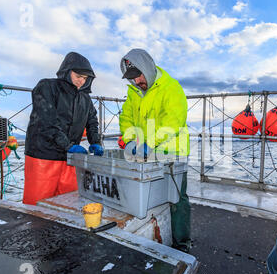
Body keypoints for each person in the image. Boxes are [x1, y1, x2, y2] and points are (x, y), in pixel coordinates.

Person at [117, 48, 191, 252]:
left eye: (138, 75)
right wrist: (130, 139)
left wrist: (149, 142)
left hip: (172, 153)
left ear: (148, 67)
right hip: (144, 154)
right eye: (132, 78)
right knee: (149, 196)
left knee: (177, 199)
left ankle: (182, 243)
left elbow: (174, 121)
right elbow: (126, 117)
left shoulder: (171, 87)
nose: (136, 81)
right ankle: (155, 238)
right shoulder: (133, 92)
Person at [23, 51, 103, 205]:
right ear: (67, 71)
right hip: (43, 157)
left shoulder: (85, 99)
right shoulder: (46, 86)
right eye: (78, 76)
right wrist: (69, 146)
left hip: (70, 159)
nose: (81, 81)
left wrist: (96, 141)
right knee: (37, 205)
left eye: (85, 78)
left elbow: (92, 122)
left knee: (68, 203)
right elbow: (46, 122)